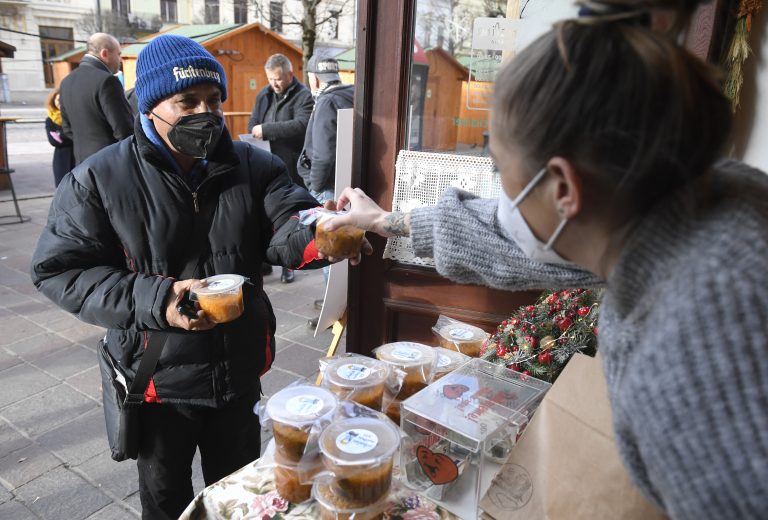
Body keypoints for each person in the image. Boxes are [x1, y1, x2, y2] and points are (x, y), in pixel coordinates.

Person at [323, 1, 768, 518]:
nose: (500, 196)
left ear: (562, 188)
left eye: (500, 170)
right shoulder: (694, 200)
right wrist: (382, 221)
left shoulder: (687, 341)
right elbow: (509, 238)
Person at [30, 35, 358, 520]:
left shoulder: (254, 165)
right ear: (151, 105)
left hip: (237, 369)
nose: (205, 112)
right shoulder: (99, 179)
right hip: (159, 383)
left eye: (213, 100)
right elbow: (60, 269)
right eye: (187, 101)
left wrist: (323, 234)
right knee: (166, 503)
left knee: (241, 500)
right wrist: (160, 299)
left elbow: (290, 221)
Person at [247, 53, 314, 283]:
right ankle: (265, 263)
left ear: (289, 75)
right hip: (264, 163)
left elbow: (301, 125)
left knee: (288, 218)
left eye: (277, 79)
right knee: (261, 215)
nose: (273, 83)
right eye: (270, 79)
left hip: (289, 167)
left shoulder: (304, 96)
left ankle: (290, 264)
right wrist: (258, 130)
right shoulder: (264, 95)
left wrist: (267, 129)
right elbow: (252, 123)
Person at [59, 32, 133, 164]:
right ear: (105, 53)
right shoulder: (107, 81)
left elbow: (67, 128)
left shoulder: (66, 82)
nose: (120, 60)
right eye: (118, 54)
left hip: (81, 165)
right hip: (109, 165)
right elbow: (124, 129)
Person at [297, 55, 354, 203]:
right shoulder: (352, 94)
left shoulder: (326, 103)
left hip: (328, 190)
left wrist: (315, 186)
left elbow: (323, 156)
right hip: (348, 184)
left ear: (314, 79)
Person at [44, 87, 75, 187]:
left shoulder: (74, 116)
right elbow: (53, 141)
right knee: (62, 189)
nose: (60, 103)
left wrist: (60, 135)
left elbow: (78, 135)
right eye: (58, 100)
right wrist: (69, 135)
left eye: (62, 100)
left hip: (77, 156)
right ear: (53, 101)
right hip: (61, 159)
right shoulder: (50, 119)